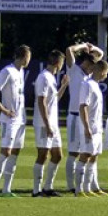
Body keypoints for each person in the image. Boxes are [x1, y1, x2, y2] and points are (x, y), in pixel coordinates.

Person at [0, 45, 32, 198]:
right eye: (29, 57)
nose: (29, 60)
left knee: (15, 153)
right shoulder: (7, 71)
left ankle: (6, 189)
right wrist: (3, 109)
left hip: (20, 119)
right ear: (24, 56)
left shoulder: (21, 71)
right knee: (5, 152)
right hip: (9, 119)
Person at [64, 41, 105, 193]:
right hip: (75, 115)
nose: (90, 69)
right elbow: (68, 50)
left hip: (86, 117)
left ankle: (91, 185)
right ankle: (71, 186)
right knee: (74, 152)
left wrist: (92, 47)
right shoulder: (73, 69)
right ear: (85, 62)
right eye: (89, 65)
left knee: (91, 153)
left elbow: (101, 55)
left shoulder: (89, 78)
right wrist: (82, 46)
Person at [33, 49, 69, 197]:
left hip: (52, 122)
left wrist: (64, 85)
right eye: (62, 62)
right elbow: (41, 101)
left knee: (57, 155)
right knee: (43, 154)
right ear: (58, 62)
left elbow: (53, 100)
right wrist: (47, 124)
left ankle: (48, 187)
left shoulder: (52, 78)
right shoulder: (44, 78)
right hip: (43, 122)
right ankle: (36, 190)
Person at [76, 59, 108, 196]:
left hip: (97, 127)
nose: (106, 76)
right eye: (106, 72)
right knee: (85, 155)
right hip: (89, 127)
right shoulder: (87, 85)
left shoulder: (95, 85)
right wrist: (86, 127)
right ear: (101, 71)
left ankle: (88, 188)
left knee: (94, 157)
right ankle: (78, 190)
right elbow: (83, 106)